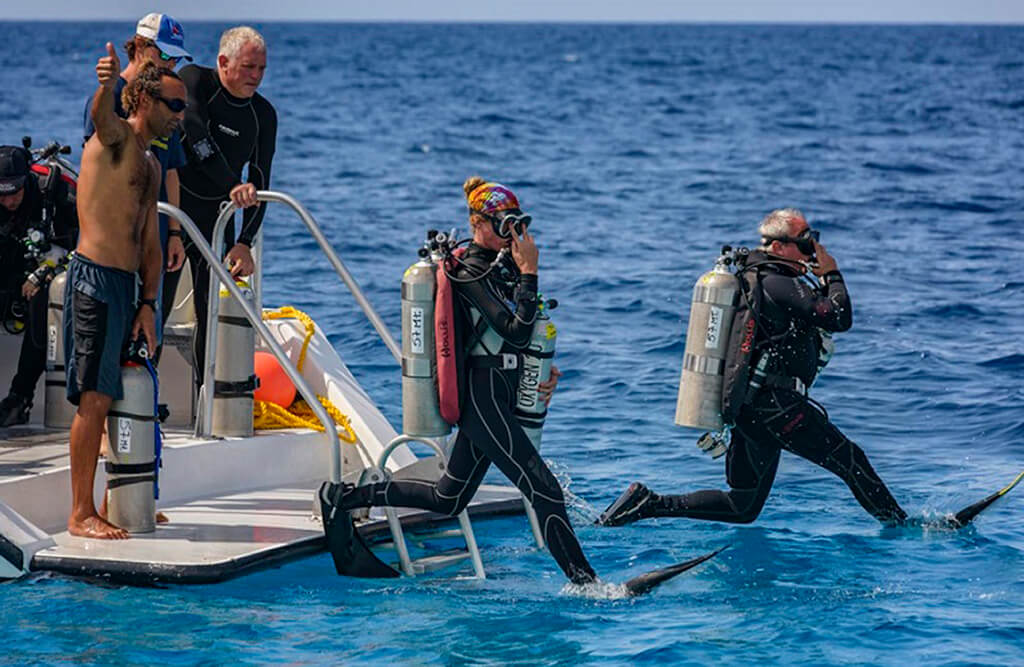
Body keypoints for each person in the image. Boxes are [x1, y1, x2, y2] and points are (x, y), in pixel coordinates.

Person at [319, 178, 601, 585]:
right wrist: (531, 272)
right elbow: (513, 329)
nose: (511, 234)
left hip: (504, 390)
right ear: (476, 223)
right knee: (545, 491)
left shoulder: (501, 268)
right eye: (502, 224)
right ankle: (588, 586)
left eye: (516, 224)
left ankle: (344, 497)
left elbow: (522, 337)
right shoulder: (469, 268)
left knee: (447, 498)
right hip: (483, 398)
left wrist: (540, 367)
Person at [598, 208, 909, 527]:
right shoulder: (776, 281)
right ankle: (903, 527)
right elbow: (838, 317)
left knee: (743, 506)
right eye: (804, 241)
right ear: (777, 247)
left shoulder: (760, 280)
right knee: (851, 460)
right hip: (775, 406)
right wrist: (831, 274)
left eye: (812, 240)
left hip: (753, 408)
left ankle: (647, 504)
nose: (812, 250)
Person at [66, 47, 183, 539]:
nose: (182, 116)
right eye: (174, 105)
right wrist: (106, 84)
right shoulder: (115, 139)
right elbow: (100, 117)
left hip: (127, 288)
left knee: (120, 393)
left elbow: (149, 241)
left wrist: (149, 304)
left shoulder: (153, 165)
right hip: (93, 279)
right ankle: (80, 512)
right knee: (94, 398)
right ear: (143, 100)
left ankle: (123, 495)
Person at [83, 13, 191, 347]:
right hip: (116, 248)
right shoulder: (112, 95)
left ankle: (147, 396)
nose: (171, 63)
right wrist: (105, 85)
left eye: (176, 58)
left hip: (155, 234)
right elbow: (97, 148)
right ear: (140, 47)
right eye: (164, 54)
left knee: (150, 328)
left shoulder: (167, 100)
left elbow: (171, 168)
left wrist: (174, 232)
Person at [175, 25, 276, 372]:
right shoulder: (194, 81)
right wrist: (233, 182)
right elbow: (196, 137)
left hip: (216, 222)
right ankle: (143, 401)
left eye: (262, 68)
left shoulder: (263, 114)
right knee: (153, 305)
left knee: (211, 311)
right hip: (174, 213)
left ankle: (207, 396)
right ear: (223, 61)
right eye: (249, 67)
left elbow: (260, 179)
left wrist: (245, 241)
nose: (257, 76)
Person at [0, 145, 77, 425]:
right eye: (2, 195)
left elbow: (85, 244)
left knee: (41, 304)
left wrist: (44, 273)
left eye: (15, 193)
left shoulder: (54, 190)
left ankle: (20, 397)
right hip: (10, 271)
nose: (8, 202)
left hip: (51, 276)